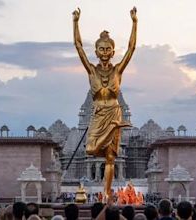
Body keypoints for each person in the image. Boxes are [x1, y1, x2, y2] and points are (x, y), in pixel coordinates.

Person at [72, 6, 137, 201]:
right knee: (91, 149)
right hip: (99, 113)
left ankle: (107, 194)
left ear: (113, 51)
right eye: (101, 48)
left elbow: (132, 48)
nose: (105, 52)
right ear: (96, 51)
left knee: (110, 158)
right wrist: (75, 23)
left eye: (108, 49)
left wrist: (134, 22)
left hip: (114, 111)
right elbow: (78, 47)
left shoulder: (118, 71)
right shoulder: (91, 71)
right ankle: (113, 130)